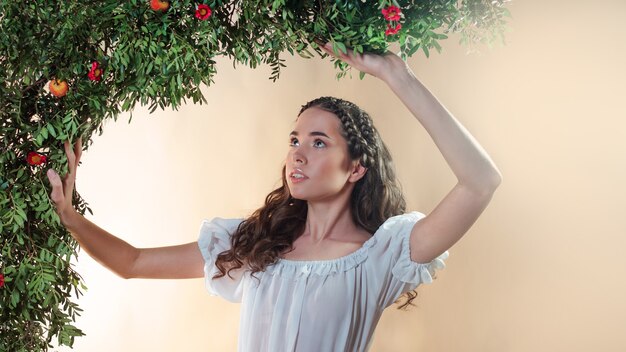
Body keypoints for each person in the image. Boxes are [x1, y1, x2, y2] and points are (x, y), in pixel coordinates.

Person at [46, 42, 502, 351]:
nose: (297, 155)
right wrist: (71, 217)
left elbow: (480, 181)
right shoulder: (256, 244)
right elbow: (133, 264)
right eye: (294, 140)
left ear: (357, 168)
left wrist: (395, 75)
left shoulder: (383, 254)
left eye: (319, 142)